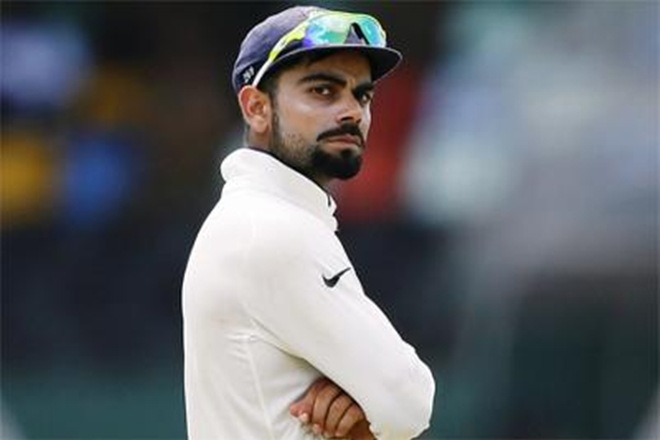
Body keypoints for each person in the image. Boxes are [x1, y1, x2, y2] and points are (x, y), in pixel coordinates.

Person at [182, 5, 436, 440]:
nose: (352, 111)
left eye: (362, 95)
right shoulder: (271, 229)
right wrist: (368, 411)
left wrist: (359, 405)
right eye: (323, 91)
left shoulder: (262, 218)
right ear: (256, 108)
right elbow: (409, 402)